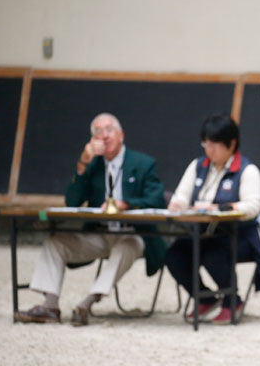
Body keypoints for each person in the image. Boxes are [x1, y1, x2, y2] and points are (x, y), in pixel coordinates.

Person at [15, 113, 168, 326]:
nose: (104, 136)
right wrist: (83, 164)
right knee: (55, 241)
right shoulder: (93, 165)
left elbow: (156, 200)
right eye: (98, 132)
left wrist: (126, 204)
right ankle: (50, 307)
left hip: (134, 233)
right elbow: (73, 200)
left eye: (109, 130)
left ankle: (86, 304)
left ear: (121, 135)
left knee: (128, 244)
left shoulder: (143, 163)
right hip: (99, 233)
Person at [165, 114, 260, 324]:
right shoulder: (198, 165)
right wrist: (178, 204)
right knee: (175, 255)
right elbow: (181, 195)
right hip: (204, 232)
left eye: (215, 144)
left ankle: (232, 300)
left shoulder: (247, 170)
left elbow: (252, 207)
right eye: (206, 143)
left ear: (231, 144)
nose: (209, 149)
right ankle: (204, 297)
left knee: (212, 253)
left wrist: (219, 207)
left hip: (240, 235)